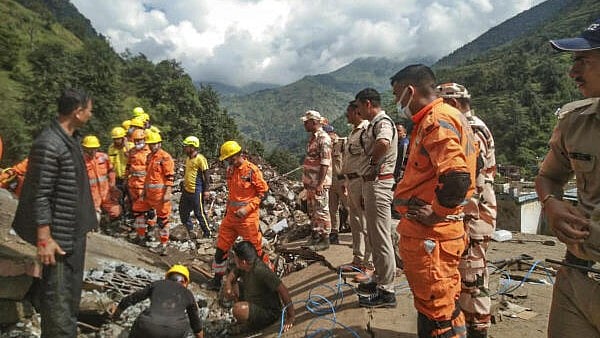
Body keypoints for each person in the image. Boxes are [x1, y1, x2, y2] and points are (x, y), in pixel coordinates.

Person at [391, 65, 477, 338]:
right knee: (447, 305)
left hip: (432, 239)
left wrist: (436, 213)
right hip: (440, 237)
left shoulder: (435, 121)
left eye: (397, 95)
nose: (397, 102)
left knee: (436, 313)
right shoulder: (451, 117)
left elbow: (458, 177)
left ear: (410, 91)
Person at [12, 88, 97, 337]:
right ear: (77, 112)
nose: (91, 114)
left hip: (73, 232)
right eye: (89, 109)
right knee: (58, 299)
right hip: (58, 239)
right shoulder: (49, 144)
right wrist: (44, 238)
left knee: (70, 297)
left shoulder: (70, 140)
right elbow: (40, 193)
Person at [535, 19, 600, 337]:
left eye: (582, 61)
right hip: (577, 278)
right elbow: (548, 176)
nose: (572, 72)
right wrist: (550, 203)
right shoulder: (574, 122)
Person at [437, 82, 497, 338]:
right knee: (465, 271)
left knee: (472, 273)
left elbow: (466, 176)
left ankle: (478, 327)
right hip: (468, 212)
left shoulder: (472, 129)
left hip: (473, 214)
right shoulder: (467, 126)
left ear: (454, 104)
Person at [352, 88, 398, 307]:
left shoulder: (382, 123)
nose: (358, 111)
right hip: (372, 184)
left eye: (360, 106)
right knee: (374, 235)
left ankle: (387, 291)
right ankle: (380, 279)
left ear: (368, 103)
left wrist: (372, 164)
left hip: (379, 183)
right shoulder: (373, 124)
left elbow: (383, 143)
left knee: (381, 238)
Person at [207, 141, 269, 290]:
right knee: (221, 249)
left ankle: (265, 281)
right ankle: (216, 281)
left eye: (231, 158)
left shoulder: (251, 171)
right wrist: (228, 211)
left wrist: (248, 209)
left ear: (238, 154)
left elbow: (263, 193)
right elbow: (232, 194)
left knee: (256, 252)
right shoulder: (230, 170)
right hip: (231, 218)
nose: (229, 161)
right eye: (227, 159)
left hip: (247, 219)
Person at [110, 264, 204, 338]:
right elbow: (196, 325)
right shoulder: (188, 294)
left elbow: (131, 299)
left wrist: (116, 315)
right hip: (174, 332)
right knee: (184, 324)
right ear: (185, 282)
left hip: (147, 327)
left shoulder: (156, 285)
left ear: (167, 278)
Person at [222, 241, 294, 334]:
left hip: (268, 312)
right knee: (229, 286)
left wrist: (290, 316)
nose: (234, 259)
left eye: (235, 257)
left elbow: (283, 290)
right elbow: (234, 272)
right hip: (254, 299)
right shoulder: (246, 265)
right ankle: (248, 318)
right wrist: (228, 283)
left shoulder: (260, 271)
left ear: (243, 262)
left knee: (238, 309)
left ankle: (251, 326)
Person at [337, 100, 374, 281]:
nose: (346, 115)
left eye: (349, 112)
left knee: (366, 224)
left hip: (360, 181)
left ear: (357, 112)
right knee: (356, 223)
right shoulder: (354, 132)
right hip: (351, 181)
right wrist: (344, 180)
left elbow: (369, 158)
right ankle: (358, 259)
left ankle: (370, 265)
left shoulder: (367, 131)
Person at [132, 130, 174, 255]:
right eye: (150, 144)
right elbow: (148, 176)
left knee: (163, 221)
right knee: (137, 210)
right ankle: (141, 236)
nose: (151, 146)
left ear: (159, 143)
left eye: (154, 144)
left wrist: (167, 193)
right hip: (149, 194)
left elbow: (170, 177)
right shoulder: (149, 157)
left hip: (160, 195)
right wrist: (144, 191)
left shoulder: (165, 157)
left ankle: (164, 245)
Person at [301, 110, 333, 251]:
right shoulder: (313, 138)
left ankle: (325, 239)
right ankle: (316, 236)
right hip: (311, 183)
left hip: (319, 183)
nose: (304, 124)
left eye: (306, 122)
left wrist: (320, 183)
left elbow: (325, 162)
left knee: (321, 211)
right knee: (313, 211)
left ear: (314, 122)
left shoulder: (323, 138)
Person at [82, 135, 121, 222]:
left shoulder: (103, 157)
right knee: (95, 218)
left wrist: (112, 185)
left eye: (94, 148)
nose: (92, 151)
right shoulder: (81, 161)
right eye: (90, 148)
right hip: (92, 196)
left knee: (117, 211)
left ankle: (106, 221)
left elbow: (111, 171)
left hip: (106, 193)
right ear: (85, 148)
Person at [180, 135, 212, 239]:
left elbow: (206, 175)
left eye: (186, 146)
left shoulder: (200, 159)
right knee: (183, 211)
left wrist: (206, 190)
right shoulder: (188, 158)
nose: (184, 148)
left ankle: (207, 233)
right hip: (187, 190)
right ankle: (189, 230)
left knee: (199, 213)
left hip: (196, 190)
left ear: (192, 147)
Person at [324, 124, 348, 245]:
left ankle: (356, 233)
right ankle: (334, 232)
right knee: (332, 209)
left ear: (332, 133)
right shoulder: (326, 146)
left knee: (350, 207)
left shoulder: (343, 144)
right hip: (330, 180)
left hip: (342, 180)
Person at [127, 128, 151, 239]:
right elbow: (128, 166)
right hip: (133, 185)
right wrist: (125, 179)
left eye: (139, 140)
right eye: (135, 140)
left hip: (144, 185)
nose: (137, 143)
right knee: (137, 211)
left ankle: (151, 232)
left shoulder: (149, 152)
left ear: (144, 140)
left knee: (149, 210)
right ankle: (140, 234)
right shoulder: (132, 152)